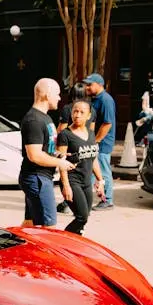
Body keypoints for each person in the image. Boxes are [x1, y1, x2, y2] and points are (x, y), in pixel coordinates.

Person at [20, 78, 74, 228]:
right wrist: (60, 163)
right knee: (48, 228)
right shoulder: (34, 120)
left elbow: (44, 149)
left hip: (40, 178)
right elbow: (34, 155)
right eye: (57, 94)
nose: (59, 97)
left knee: (29, 224)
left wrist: (56, 154)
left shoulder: (46, 118)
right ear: (47, 94)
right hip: (37, 178)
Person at [57, 100, 105, 235]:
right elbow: (61, 161)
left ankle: (75, 241)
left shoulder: (90, 134)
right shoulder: (65, 135)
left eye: (81, 112)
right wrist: (66, 185)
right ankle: (64, 241)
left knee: (84, 217)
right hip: (72, 181)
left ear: (89, 116)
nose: (77, 115)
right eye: (75, 111)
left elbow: (93, 158)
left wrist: (100, 181)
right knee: (81, 217)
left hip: (86, 182)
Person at [85, 73, 116, 210]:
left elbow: (107, 124)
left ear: (99, 85)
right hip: (96, 142)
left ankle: (107, 200)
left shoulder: (105, 100)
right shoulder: (96, 99)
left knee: (103, 170)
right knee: (92, 171)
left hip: (102, 143)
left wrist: (96, 140)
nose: (87, 87)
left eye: (90, 84)